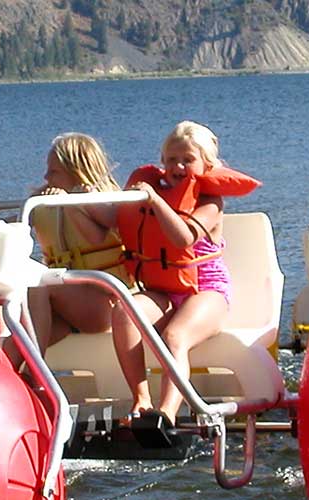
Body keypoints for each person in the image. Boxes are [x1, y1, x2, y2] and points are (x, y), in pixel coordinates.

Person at [101, 121, 259, 426]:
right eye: (172, 159)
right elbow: (112, 220)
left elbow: (183, 238)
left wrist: (155, 202)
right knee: (124, 311)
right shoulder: (147, 194)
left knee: (175, 335)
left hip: (206, 289)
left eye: (188, 159)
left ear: (206, 164)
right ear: (162, 162)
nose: (179, 166)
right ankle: (141, 401)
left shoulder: (211, 202)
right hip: (162, 288)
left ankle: (167, 414)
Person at [0, 132, 131, 363]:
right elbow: (9, 233)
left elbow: (98, 236)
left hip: (106, 303)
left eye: (53, 172)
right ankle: (7, 383)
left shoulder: (103, 202)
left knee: (39, 285)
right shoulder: (42, 201)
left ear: (75, 171)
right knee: (17, 344)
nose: (46, 176)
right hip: (66, 306)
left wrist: (74, 203)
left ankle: (37, 377)